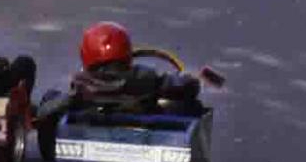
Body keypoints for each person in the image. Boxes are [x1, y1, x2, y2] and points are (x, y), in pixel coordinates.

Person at [38, 22, 201, 122]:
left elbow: (45, 112)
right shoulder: (144, 78)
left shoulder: (81, 85)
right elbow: (186, 88)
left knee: (52, 96)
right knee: (192, 105)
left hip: (94, 131)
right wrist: (190, 80)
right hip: (140, 130)